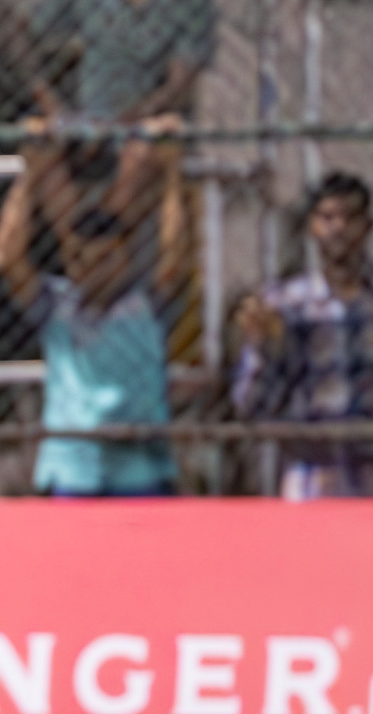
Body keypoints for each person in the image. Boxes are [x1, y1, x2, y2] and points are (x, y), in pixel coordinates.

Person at [0, 120, 189, 496]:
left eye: (105, 259)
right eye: (80, 259)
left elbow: (175, 255)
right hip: (72, 468)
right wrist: (28, 175)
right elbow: (5, 258)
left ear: (125, 259)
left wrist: (172, 171)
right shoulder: (56, 306)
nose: (91, 270)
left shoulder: (144, 306)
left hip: (139, 468)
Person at [233, 173, 373, 498]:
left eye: (350, 217)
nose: (338, 228)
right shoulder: (285, 304)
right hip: (312, 471)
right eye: (327, 217)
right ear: (312, 226)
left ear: (367, 226)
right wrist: (266, 346)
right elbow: (251, 403)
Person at [29, 0, 216, 226]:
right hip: (87, 121)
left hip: (147, 121)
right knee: (38, 142)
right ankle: (74, 232)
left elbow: (180, 82)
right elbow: (30, 32)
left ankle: (109, 221)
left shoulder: (188, 6)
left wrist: (133, 117)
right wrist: (52, 104)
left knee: (143, 147)